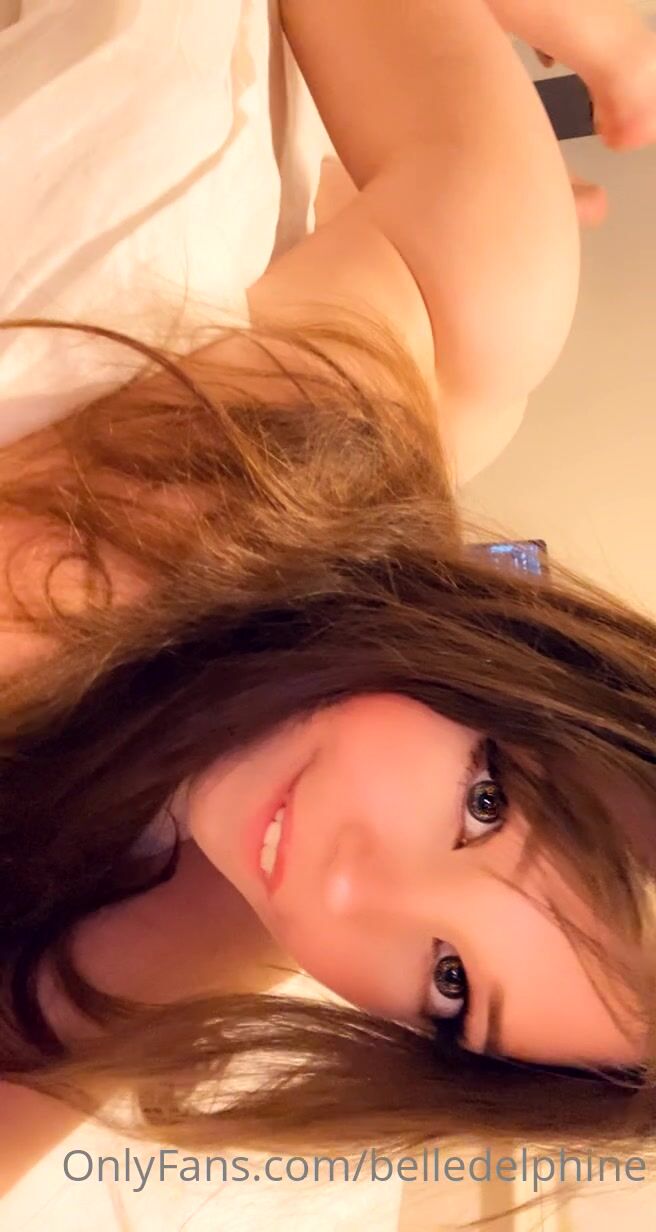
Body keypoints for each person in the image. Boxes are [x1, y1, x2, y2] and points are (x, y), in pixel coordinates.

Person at [1, 0, 656, 1200]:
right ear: (534, 661)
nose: (350, 890)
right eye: (483, 800)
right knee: (493, 307)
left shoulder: (227, 900)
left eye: (448, 985)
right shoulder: (441, 324)